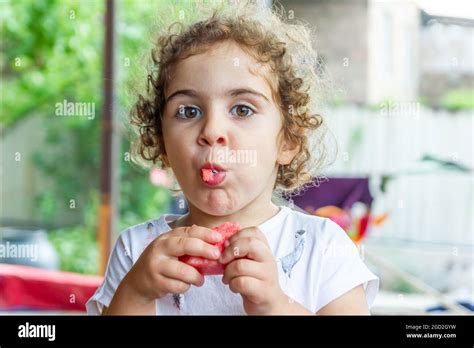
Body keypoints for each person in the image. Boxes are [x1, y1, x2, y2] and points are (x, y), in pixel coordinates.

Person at [87, 1, 378, 315]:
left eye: (242, 109)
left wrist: (276, 305)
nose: (212, 130)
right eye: (188, 111)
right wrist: (137, 293)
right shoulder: (138, 251)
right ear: (162, 142)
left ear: (288, 140)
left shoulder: (323, 248)